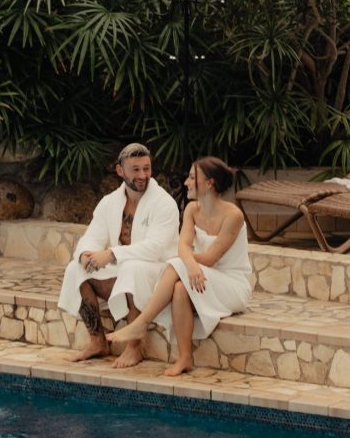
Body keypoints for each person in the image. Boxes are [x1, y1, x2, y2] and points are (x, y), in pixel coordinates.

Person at [107, 157, 250, 376]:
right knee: (179, 289)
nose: (186, 182)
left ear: (209, 183)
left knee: (176, 264)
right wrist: (190, 264)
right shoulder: (192, 209)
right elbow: (183, 246)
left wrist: (188, 263)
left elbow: (211, 258)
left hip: (231, 284)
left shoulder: (234, 215)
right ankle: (185, 358)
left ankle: (142, 322)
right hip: (203, 275)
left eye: (192, 178)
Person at [56, 143, 180, 367]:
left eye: (146, 168)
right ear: (120, 170)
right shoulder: (110, 202)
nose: (142, 175)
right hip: (124, 266)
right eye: (135, 169)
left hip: (158, 272)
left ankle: (134, 348)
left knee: (133, 268)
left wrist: (111, 254)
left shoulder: (164, 203)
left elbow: (155, 248)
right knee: (76, 268)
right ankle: (97, 342)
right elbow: (92, 236)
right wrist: (85, 255)